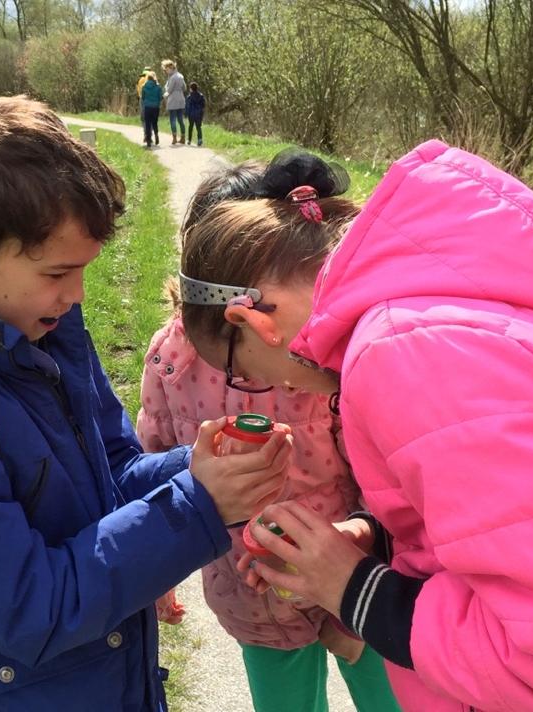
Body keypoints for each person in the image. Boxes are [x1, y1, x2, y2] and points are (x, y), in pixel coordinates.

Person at [0, 96, 294, 712]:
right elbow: (30, 610)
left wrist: (201, 466)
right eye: (57, 273)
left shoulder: (36, 325)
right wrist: (200, 506)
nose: (75, 295)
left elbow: (114, 474)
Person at [181, 142, 533, 711]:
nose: (282, 390)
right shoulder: (445, 300)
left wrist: (353, 588)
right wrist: (377, 534)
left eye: (243, 371)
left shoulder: (403, 353)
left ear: (250, 320)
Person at [139, 161, 402, 712]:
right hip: (252, 598)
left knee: (392, 698)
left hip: (352, 577)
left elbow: (379, 473)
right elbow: (154, 456)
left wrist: (362, 547)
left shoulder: (312, 361)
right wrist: (154, 570)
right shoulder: (170, 359)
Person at [161, 59, 186, 145]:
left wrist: (163, 95)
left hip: (173, 100)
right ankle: (183, 137)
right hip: (181, 99)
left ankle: (174, 138)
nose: (166, 71)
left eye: (166, 69)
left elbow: (169, 90)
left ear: (171, 67)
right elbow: (184, 88)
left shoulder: (172, 77)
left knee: (173, 120)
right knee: (180, 119)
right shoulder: (181, 76)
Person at [141, 71, 162, 149]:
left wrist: (146, 101)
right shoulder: (158, 87)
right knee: (155, 122)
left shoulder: (144, 86)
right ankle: (156, 134)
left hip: (147, 107)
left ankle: (149, 140)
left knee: (147, 123)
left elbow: (143, 97)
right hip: (156, 107)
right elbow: (160, 97)